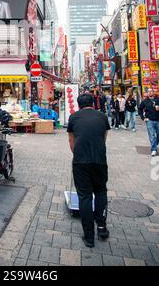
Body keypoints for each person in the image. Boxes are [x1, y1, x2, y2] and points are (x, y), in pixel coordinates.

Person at [67, 93, 110, 248]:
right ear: (93, 103)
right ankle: (101, 227)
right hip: (99, 160)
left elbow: (72, 141)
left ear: (79, 105)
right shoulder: (103, 117)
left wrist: (79, 154)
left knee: (85, 197)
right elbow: (104, 138)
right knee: (100, 192)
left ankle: (89, 237)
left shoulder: (73, 118)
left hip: (80, 162)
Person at [138, 88, 159, 156]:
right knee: (152, 135)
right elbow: (140, 109)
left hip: (158, 120)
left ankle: (155, 144)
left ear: (153, 92)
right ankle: (154, 149)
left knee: (158, 135)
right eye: (148, 91)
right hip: (149, 120)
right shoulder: (145, 101)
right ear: (147, 93)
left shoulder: (158, 99)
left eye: (151, 91)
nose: (150, 93)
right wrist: (143, 118)